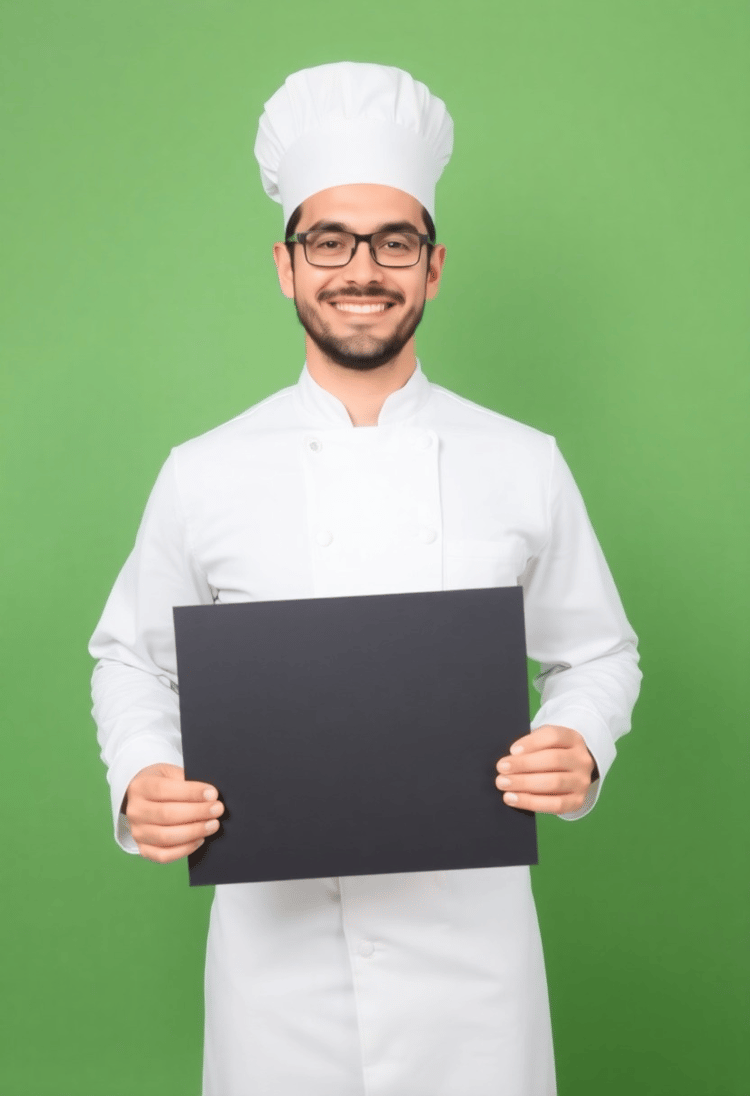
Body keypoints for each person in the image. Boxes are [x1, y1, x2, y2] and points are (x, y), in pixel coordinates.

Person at [89, 62, 641, 1096]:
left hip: (473, 968)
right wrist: (140, 773)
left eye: (394, 241)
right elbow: (128, 654)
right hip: (273, 967)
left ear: (433, 268)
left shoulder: (524, 460)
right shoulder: (203, 471)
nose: (362, 268)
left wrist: (581, 741)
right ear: (285, 266)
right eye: (329, 240)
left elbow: (599, 648)